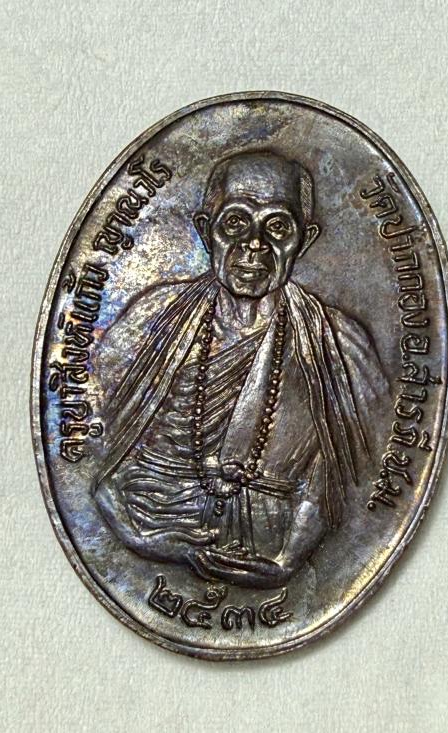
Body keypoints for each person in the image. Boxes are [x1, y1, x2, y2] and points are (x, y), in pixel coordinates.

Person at [93, 150, 388, 589]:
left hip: (267, 555)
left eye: (277, 228)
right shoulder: (148, 323)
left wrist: (288, 560)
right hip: (151, 540)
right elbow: (94, 453)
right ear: (205, 231)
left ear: (304, 241)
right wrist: (140, 538)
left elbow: (357, 479)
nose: (254, 245)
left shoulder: (338, 345)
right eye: (235, 223)